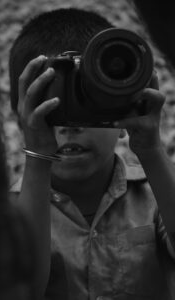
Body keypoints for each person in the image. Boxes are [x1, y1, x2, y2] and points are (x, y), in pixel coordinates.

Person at [9, 8, 175, 300]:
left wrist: (151, 150)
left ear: (125, 107)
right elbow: (20, 291)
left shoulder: (156, 196)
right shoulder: (7, 214)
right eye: (52, 108)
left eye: (87, 105)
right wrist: (37, 154)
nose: (69, 128)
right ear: (22, 117)